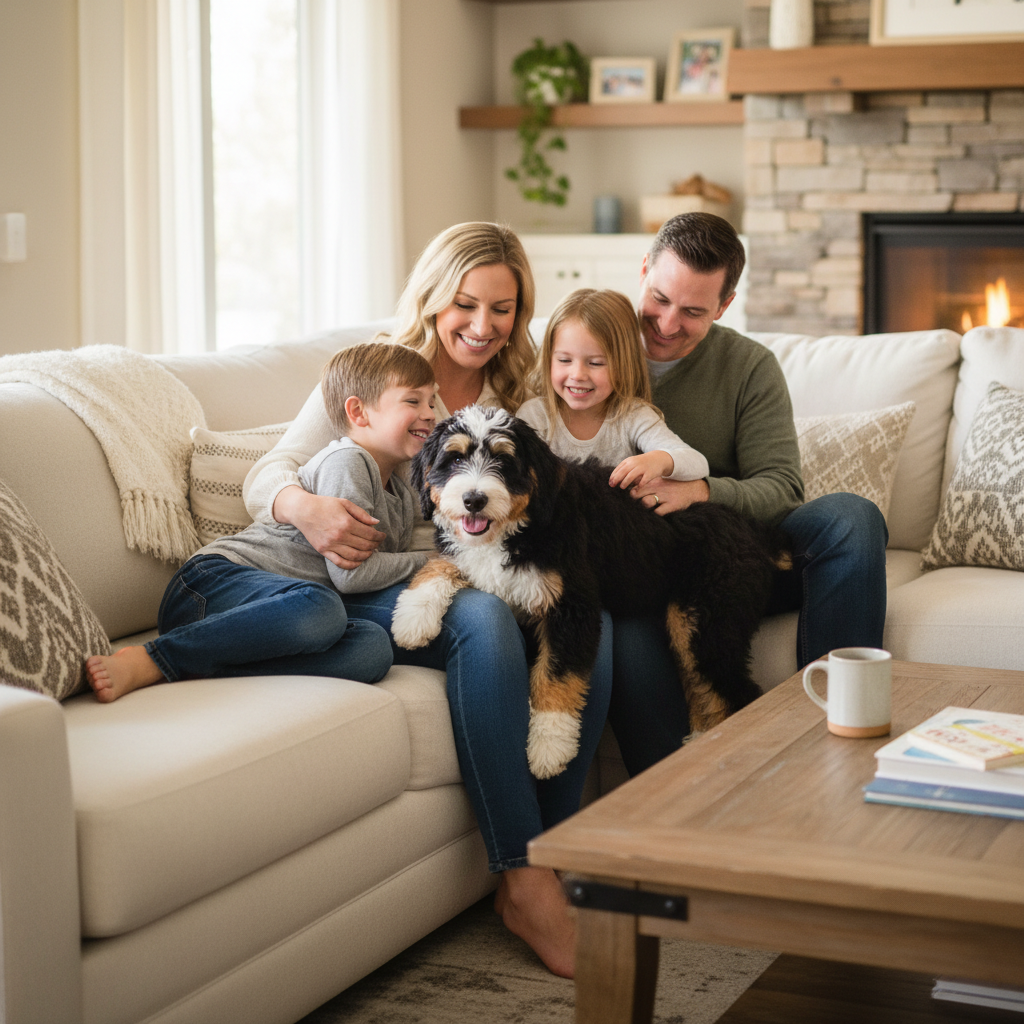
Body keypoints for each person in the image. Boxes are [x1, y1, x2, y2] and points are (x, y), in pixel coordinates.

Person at [242, 222, 613, 979]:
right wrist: (300, 506)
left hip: (480, 562)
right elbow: (273, 464)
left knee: (583, 629)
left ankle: (557, 847)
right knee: (478, 616)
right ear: (434, 298)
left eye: (504, 309)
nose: (484, 326)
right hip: (367, 574)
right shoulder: (384, 371)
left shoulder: (519, 391)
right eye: (467, 305)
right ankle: (522, 881)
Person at [606, 211, 889, 776]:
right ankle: (671, 804)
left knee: (853, 518)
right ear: (642, 271)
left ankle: (836, 730)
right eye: (659, 298)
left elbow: (781, 488)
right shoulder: (588, 349)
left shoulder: (749, 366)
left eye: (693, 311)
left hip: (737, 560)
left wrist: (698, 491)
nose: (666, 323)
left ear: (725, 305)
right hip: (641, 569)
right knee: (626, 628)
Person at [84, 341, 438, 703]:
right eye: (413, 401)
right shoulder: (348, 462)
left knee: (372, 648)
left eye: (431, 400)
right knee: (323, 606)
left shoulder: (402, 492)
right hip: (209, 586)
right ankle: (156, 657)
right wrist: (432, 563)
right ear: (359, 412)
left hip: (267, 618)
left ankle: (197, 663)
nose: (429, 413)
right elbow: (353, 576)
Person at [517, 287, 709, 489]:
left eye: (596, 363)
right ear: (548, 360)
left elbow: (697, 463)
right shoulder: (534, 416)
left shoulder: (633, 415)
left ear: (623, 366)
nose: (577, 375)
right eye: (564, 360)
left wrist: (659, 460)